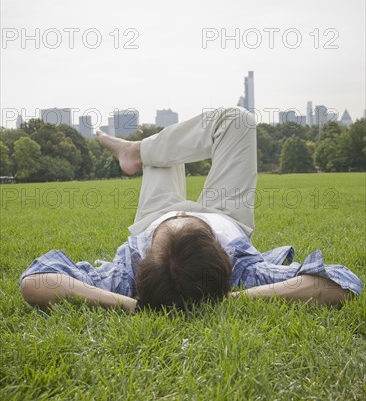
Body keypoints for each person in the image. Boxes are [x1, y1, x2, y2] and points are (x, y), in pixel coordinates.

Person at [20, 107, 362, 311]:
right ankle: (140, 149)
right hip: (226, 218)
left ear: (146, 259)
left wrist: (132, 304)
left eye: (174, 228)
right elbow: (342, 282)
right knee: (238, 121)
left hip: (154, 215)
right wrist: (235, 300)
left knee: (164, 158)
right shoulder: (245, 273)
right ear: (222, 257)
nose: (185, 214)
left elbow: (36, 282)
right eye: (189, 224)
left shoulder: (127, 276)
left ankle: (137, 151)